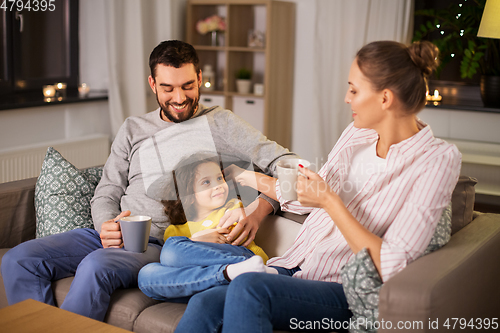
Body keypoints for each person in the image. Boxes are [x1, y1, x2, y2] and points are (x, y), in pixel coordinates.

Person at [174, 40, 462, 333]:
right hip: (293, 267)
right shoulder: (356, 134)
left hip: (340, 290)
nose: (347, 98)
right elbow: (303, 199)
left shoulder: (436, 160)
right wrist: (243, 176)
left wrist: (331, 203)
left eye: (354, 89)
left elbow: (392, 264)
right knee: (204, 303)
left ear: (385, 98)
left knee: (250, 288)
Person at [0, 40, 295, 321]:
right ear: (152, 84)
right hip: (112, 234)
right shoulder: (133, 128)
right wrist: (106, 225)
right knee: (18, 259)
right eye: (167, 88)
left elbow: (288, 166)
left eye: (188, 86)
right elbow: (108, 189)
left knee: (95, 266)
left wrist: (259, 211)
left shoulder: (222, 123)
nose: (179, 98)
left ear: (200, 78)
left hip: (160, 242)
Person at [138, 153, 277, 300]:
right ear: (189, 196)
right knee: (146, 274)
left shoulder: (232, 209)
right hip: (205, 282)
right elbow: (175, 263)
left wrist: (193, 243)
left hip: (243, 258)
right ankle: (227, 274)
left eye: (219, 178)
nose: (218, 186)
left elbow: (234, 239)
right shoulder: (174, 231)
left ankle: (249, 269)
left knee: (171, 248)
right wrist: (196, 240)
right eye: (206, 182)